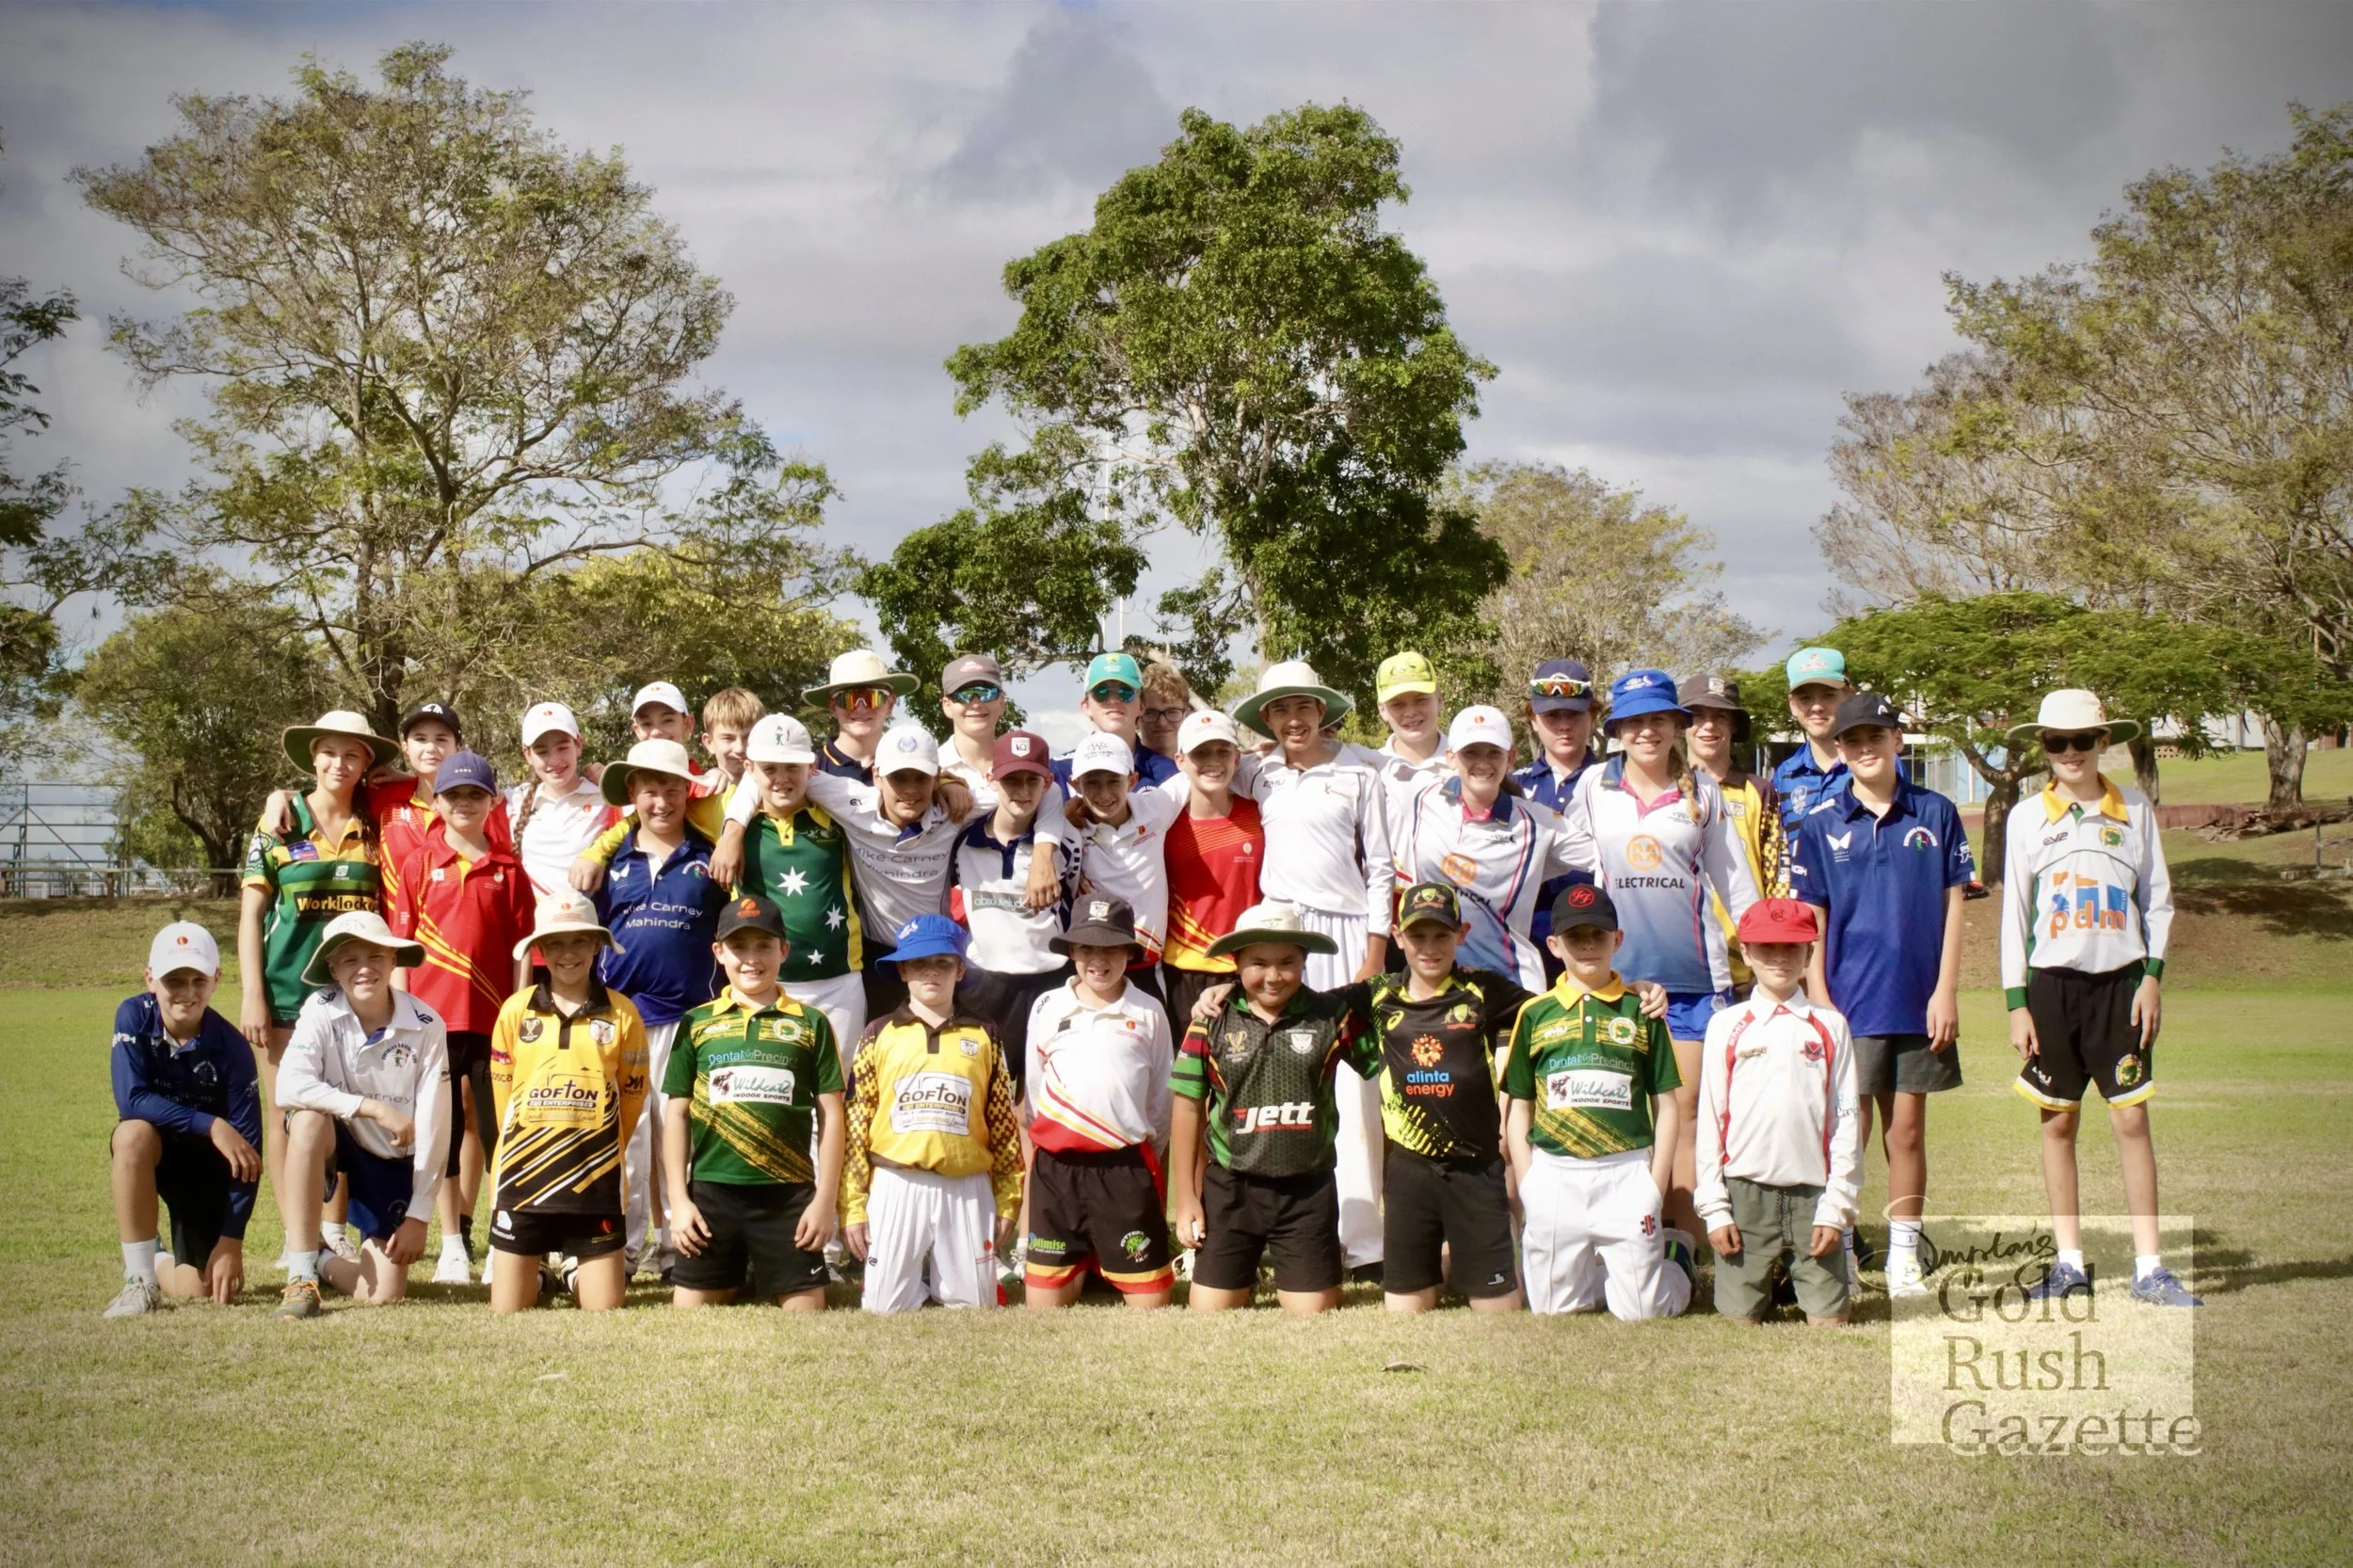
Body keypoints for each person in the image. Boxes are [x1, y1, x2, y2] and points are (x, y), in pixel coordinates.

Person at [2002, 690, 2198, 1307]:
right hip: (2051, 987)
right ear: (2043, 748)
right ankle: (2068, 1265)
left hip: (2121, 984)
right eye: (2055, 742)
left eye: (2081, 740)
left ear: (2103, 742)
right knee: (2057, 1123)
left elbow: (2158, 900)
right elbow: (2015, 914)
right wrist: (2016, 1003)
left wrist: (2152, 978)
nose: (2069, 753)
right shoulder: (2025, 817)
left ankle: (2150, 1269)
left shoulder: (2134, 809)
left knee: (2132, 1120)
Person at [1785, 691, 1971, 1298]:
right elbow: (1812, 917)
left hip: (1918, 1000)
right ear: (1839, 749)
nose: (1865, 747)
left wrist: (1946, 991)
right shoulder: (1820, 824)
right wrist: (1820, 997)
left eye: (1876, 735)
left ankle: (1903, 1257)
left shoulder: (1936, 812)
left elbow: (1953, 908)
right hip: (1848, 1002)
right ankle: (1836, 1247)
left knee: (1908, 1131)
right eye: (1852, 740)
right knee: (1847, 1132)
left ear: (1896, 739)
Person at [1564, 668, 1760, 1243]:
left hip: (1692, 981)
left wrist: (1770, 959)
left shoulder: (1704, 794)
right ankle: (1623, 1238)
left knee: (1686, 1113)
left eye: (1658, 719)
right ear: (1617, 730)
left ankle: (1686, 1243)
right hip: (1614, 980)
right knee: (1620, 1111)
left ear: (1678, 724)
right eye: (1633, 722)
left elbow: (1737, 886)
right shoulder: (1594, 787)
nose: (1646, 732)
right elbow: (1564, 852)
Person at [1228, 660, 1394, 1276]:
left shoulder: (1359, 770)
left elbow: (1380, 865)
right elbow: (1204, 769)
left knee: (1353, 1089)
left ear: (1322, 711)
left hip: (1347, 936)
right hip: (1280, 935)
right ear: (1265, 719)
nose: (1294, 720)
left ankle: (1365, 1244)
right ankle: (1285, 1231)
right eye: (1279, 709)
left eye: (1303, 707)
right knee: (1281, 1082)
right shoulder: (1259, 771)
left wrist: (1374, 954)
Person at [1168, 901, 1377, 1315]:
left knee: (1312, 1313)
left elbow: (1384, 1063)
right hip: (1231, 1189)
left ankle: (1300, 1260)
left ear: (1304, 961)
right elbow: (1188, 1107)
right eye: (1258, 963)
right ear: (1236, 963)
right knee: (1210, 1311)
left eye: (1287, 962)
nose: (1273, 975)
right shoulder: (1210, 1020)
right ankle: (1243, 1262)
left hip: (1307, 1188)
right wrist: (1188, 1200)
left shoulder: (1333, 1016)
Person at [1503, 883, 1694, 1320]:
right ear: (1554, 945)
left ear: (1618, 939)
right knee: (1553, 1311)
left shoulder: (1641, 1011)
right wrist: (1530, 1180)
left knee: (1643, 1312)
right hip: (1554, 1175)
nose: (1588, 945)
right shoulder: (1534, 1014)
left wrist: (1654, 1185)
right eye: (1575, 937)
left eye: (1599, 934)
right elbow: (1520, 1108)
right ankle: (1604, 1265)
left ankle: (1677, 1259)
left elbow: (1668, 1105)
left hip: (1625, 1172)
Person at [239, 709, 395, 1238]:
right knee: (289, 1114)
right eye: (330, 751)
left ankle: (332, 1231)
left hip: (356, 999)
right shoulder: (278, 822)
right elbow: (250, 917)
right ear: (313, 757)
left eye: (353, 754)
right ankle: (296, 1238)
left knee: (346, 1117)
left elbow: (421, 785)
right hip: (286, 995)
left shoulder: (377, 826)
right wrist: (252, 997)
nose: (340, 763)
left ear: (367, 763)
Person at [387, 749, 536, 1284]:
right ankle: (452, 1242)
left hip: (495, 1024)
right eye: (454, 796)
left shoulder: (510, 870)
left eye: (476, 795)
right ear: (438, 802)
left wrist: (518, 1020)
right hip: (432, 1026)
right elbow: (401, 951)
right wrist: (402, 1016)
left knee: (502, 1132)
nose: (465, 804)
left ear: (492, 801)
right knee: (441, 1134)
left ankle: (504, 1238)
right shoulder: (418, 865)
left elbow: (524, 953)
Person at [664, 894, 846, 1312]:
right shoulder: (697, 1022)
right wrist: (680, 1200)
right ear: (718, 952)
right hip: (712, 1192)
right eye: (738, 947)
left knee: (806, 1311)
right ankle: (739, 1271)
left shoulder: (811, 1022)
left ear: (784, 950)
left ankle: (759, 1269)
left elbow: (832, 1115)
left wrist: (824, 1202)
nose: (751, 959)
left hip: (787, 1193)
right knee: (690, 1312)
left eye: (764, 945)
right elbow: (676, 1113)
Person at [1353, 884, 1528, 1314]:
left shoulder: (1484, 990)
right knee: (1405, 1313)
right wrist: (1225, 991)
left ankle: (1475, 1257)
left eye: (1442, 935)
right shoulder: (1377, 996)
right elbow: (1302, 1006)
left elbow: (1555, 1008)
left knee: (1498, 1313)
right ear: (1397, 936)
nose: (1430, 948)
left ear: (1462, 934)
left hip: (1477, 1169)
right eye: (1418, 936)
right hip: (1410, 1173)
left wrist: (1633, 987)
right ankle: (1445, 1259)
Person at [840, 915, 1025, 1313]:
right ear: (903, 969)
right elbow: (855, 1126)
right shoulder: (878, 1033)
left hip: (966, 1184)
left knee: (975, 1308)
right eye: (920, 962)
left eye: (943, 962)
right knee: (884, 1309)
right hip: (896, 1180)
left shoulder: (985, 1033)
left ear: (960, 970)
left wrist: (1008, 1199)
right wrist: (854, 1206)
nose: (931, 972)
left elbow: (1004, 1126)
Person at [594, 738, 729, 1279]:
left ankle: (681, 1247)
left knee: (685, 1138)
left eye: (672, 788)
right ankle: (622, 1251)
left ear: (686, 791)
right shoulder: (608, 859)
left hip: (690, 1018)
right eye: (650, 789)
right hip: (622, 1020)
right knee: (626, 1139)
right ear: (633, 793)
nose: (662, 801)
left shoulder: (709, 855)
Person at [271, 911, 449, 1319]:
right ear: (332, 969)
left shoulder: (427, 1024)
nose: (364, 969)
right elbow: (288, 1088)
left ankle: (320, 1260)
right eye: (350, 960)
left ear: (392, 960)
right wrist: (372, 1108)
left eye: (375, 957)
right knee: (307, 1119)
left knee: (384, 1293)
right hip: (337, 1140)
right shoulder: (319, 1008)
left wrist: (420, 1214)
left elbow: (436, 1125)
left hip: (389, 1157)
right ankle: (300, 1278)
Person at [1694, 900, 1862, 1327]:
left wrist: (1836, 1208)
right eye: (1767, 947)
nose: (1780, 958)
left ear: (1809, 954)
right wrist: (1716, 1208)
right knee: (1738, 1321)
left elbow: (1846, 1121)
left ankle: (1811, 1278)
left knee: (1829, 1322)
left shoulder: (1830, 1026)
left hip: (1813, 1195)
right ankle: (1761, 1283)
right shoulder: (1726, 1025)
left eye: (1793, 948)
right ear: (1746, 953)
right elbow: (1711, 1121)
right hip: (1744, 1194)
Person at [485, 891, 649, 1312]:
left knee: (604, 1309)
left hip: (594, 1182)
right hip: (524, 1180)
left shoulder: (623, 1013)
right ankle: (537, 1273)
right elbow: (504, 1101)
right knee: (508, 1310)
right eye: (556, 943)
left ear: (597, 945)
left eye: (579, 941)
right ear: (539, 950)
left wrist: (599, 1150)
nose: (568, 954)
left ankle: (575, 1272)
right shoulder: (515, 1011)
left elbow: (632, 1098)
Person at [1021, 897, 1176, 1309]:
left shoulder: (1149, 1011)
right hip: (1057, 1173)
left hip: (1125, 1172)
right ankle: (1081, 1265)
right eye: (1087, 947)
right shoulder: (1047, 1007)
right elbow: (1035, 1095)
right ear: (1072, 951)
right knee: (1043, 1308)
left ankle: (1110, 1262)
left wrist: (1142, 1159)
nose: (1098, 960)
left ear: (1129, 951)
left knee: (1152, 1308)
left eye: (1110, 948)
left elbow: (1162, 1101)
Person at [104, 921, 260, 1317]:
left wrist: (232, 1240)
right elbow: (132, 1099)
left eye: (198, 979)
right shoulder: (132, 1017)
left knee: (198, 1290)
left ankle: (157, 1258)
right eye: (174, 980)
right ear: (151, 978)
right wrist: (210, 1124)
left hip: (202, 1170)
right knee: (131, 1135)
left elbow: (249, 1152)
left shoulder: (234, 1048)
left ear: (216, 979)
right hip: (153, 1153)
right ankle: (139, 1280)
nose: (187, 993)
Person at [1393, 705, 1584, 991]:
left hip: (1512, 985)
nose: (1483, 763)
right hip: (1436, 982)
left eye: (1493, 752)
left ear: (1511, 758)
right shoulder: (1420, 800)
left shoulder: (1537, 822)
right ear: (1450, 757)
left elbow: (1608, 856)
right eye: (1471, 752)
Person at [725, 713, 868, 1055]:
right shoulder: (726, 813)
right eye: (770, 769)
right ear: (749, 768)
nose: (782, 779)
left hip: (839, 981)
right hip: (763, 981)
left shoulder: (837, 814)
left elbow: (893, 799)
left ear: (812, 766)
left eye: (792, 767)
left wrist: (949, 782)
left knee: (839, 1094)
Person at [952, 730, 1070, 1094]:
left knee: (1041, 1095)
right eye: (1011, 779)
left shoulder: (1065, 841)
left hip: (1049, 982)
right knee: (982, 1092)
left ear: (1047, 783)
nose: (1021, 790)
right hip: (985, 983)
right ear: (991, 779)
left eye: (1031, 780)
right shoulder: (962, 838)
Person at [1043, 731, 1180, 1003]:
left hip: (1148, 967)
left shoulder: (1158, 806)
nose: (1104, 793)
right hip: (1093, 968)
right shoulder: (1065, 828)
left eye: (1114, 781)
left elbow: (1200, 772)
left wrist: (1256, 756)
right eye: (1092, 782)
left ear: (1132, 780)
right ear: (1075, 784)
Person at [1679, 673, 1786, 996]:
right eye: (1697, 716)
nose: (1708, 726)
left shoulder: (1760, 790)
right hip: (1683, 961)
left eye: (1720, 716)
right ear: (1681, 724)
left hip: (1747, 965)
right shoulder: (1663, 788)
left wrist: (1772, 946)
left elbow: (1777, 878)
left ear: (1734, 726)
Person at [1157, 712, 1264, 1027]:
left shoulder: (1260, 817)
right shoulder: (1163, 825)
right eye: (1201, 753)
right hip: (1183, 971)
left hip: (1246, 969)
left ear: (1237, 757)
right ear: (1180, 760)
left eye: (1222, 751)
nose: (1213, 761)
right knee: (1186, 1074)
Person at [1512, 657, 1603, 983]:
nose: (1564, 725)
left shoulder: (1615, 782)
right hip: (1531, 943)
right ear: (1533, 720)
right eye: (1552, 715)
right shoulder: (1512, 786)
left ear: (1593, 716)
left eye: (1574, 714)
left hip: (1600, 942)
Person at [506, 702, 620, 903]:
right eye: (542, 751)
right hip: (537, 928)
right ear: (527, 754)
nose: (555, 760)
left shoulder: (606, 801)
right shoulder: (515, 802)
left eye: (563, 748)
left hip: (591, 925)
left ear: (578, 745)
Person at [1051, 651, 1180, 790]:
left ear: (1142, 705)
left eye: (1125, 692)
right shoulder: (1057, 772)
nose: (1113, 700)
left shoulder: (1171, 774)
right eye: (1102, 692)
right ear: (1086, 706)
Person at [1773, 647, 1859, 837]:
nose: (1817, 707)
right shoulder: (1785, 775)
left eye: (1829, 695)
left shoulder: (1873, 763)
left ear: (1850, 697)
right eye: (1805, 698)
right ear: (1792, 705)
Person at [804, 648, 919, 782]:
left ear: (891, 704)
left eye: (873, 698)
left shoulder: (914, 766)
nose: (861, 709)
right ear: (833, 706)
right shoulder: (808, 773)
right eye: (848, 699)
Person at [937, 652, 1009, 789]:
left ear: (1001, 702)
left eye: (986, 693)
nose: (976, 704)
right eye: (964, 695)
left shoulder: (1023, 766)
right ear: (947, 706)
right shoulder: (931, 768)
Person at [1136, 658, 1194, 776]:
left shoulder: (1202, 768)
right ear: (1136, 718)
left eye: (1172, 712)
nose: (1162, 722)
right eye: (1151, 713)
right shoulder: (1125, 772)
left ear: (1187, 714)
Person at [698, 686, 762, 789]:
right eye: (728, 738)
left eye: (748, 737)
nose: (740, 748)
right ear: (709, 743)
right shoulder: (696, 796)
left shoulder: (778, 794)